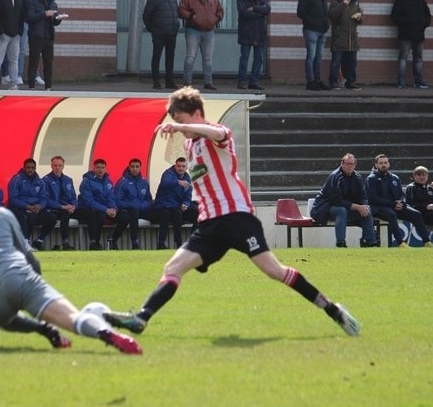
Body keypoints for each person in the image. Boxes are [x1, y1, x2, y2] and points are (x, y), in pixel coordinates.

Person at [103, 87, 360, 338]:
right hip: (210, 224)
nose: (179, 126)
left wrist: (182, 127)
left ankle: (332, 309)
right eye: (176, 122)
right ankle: (141, 318)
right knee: (173, 267)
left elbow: (216, 133)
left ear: (196, 113)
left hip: (236, 217)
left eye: (181, 119)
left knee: (273, 270)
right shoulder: (191, 147)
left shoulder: (218, 133)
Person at [0, 171, 143, 355]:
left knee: (2, 316)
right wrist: (39, 293)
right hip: (17, 276)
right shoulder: (1, 214)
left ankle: (44, 329)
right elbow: (30, 260)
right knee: (73, 318)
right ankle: (107, 333)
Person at [309, 153, 379, 248]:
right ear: (342, 164)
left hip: (347, 207)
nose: (350, 166)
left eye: (352, 164)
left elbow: (362, 196)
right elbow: (336, 200)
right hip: (324, 208)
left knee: (366, 209)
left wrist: (363, 206)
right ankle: (341, 242)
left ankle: (370, 241)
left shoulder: (357, 177)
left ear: (355, 165)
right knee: (341, 210)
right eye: (347, 163)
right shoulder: (335, 177)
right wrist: (356, 207)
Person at [365, 154, 433, 248]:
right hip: (379, 207)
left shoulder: (394, 177)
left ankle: (427, 242)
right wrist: (393, 204)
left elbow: (401, 194)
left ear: (389, 164)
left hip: (395, 206)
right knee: (391, 215)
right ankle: (400, 243)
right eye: (381, 163)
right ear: (376, 165)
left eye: (385, 162)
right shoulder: (371, 179)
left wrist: (401, 202)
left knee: (416, 214)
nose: (383, 165)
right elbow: (373, 198)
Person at [178, 0, 224, 90]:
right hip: (192, 31)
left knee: (208, 59)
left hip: (209, 31)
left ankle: (208, 82)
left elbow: (220, 11)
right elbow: (181, 10)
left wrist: (215, 19)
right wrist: (191, 16)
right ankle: (187, 82)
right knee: (190, 57)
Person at [75, 158, 129, 250]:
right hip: (91, 209)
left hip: (106, 209)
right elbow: (88, 201)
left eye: (102, 167)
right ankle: (95, 243)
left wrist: (114, 209)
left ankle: (113, 240)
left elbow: (111, 197)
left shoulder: (108, 181)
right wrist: (106, 209)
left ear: (105, 168)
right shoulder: (86, 182)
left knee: (125, 217)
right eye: (98, 167)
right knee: (98, 215)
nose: (100, 170)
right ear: (93, 168)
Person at [7, 158, 56, 251]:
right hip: (20, 208)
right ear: (24, 168)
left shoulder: (40, 182)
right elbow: (13, 199)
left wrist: (40, 206)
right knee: (30, 217)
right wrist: (27, 206)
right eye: (28, 167)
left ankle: (39, 241)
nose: (30, 170)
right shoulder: (16, 180)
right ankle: (25, 243)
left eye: (33, 168)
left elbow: (44, 198)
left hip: (35, 209)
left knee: (52, 218)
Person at [148, 157, 198, 249]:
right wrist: (178, 182)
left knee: (199, 214)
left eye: (183, 166)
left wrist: (186, 203)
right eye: (179, 166)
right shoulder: (168, 173)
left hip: (178, 207)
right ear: (175, 166)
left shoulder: (187, 177)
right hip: (163, 206)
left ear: (186, 167)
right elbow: (165, 183)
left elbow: (188, 195)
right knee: (172, 213)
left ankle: (193, 242)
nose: (181, 168)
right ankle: (167, 243)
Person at [391, 0, 431, 89]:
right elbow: (394, 17)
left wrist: (423, 25)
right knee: (403, 58)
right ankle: (401, 82)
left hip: (419, 35)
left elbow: (428, 16)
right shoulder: (399, 2)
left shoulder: (421, 2)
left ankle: (418, 82)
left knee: (418, 59)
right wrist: (408, 23)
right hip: (405, 36)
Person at [26, 0, 63, 90]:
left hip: (49, 37)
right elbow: (30, 17)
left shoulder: (53, 3)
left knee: (48, 63)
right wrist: (44, 14)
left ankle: (48, 87)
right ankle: (31, 86)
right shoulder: (32, 1)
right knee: (34, 62)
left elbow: (54, 22)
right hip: (36, 36)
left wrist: (59, 19)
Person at [142, 0, 179, 90]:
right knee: (156, 57)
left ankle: (169, 81)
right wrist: (152, 29)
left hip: (172, 33)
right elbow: (146, 16)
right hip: (159, 34)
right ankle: (156, 82)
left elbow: (176, 13)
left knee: (170, 58)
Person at [236, 0, 270, 90]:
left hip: (259, 33)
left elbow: (267, 10)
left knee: (258, 59)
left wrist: (254, 8)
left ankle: (254, 82)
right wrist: (260, 14)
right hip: (246, 33)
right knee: (244, 58)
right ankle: (241, 81)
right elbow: (243, 13)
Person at [296, 0, 329, 91]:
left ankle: (318, 80)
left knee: (319, 57)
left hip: (322, 31)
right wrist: (313, 22)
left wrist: (326, 24)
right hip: (310, 30)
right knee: (311, 56)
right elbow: (300, 12)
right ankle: (310, 81)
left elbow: (325, 12)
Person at [327, 0, 362, 90]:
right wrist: (343, 4)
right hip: (339, 40)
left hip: (352, 40)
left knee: (352, 63)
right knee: (336, 63)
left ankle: (350, 82)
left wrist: (360, 17)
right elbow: (332, 15)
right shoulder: (335, 3)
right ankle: (333, 82)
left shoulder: (355, 4)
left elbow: (360, 21)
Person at [15, 0, 44, 87]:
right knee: (21, 50)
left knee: (35, 50)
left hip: (36, 22)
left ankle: (36, 76)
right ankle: (18, 75)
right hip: (24, 21)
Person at [113, 158, 153, 250]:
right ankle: (135, 243)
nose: (135, 169)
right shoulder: (122, 182)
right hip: (128, 210)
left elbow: (149, 200)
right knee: (134, 212)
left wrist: (141, 206)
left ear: (140, 168)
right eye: (133, 167)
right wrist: (132, 204)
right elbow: (117, 201)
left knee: (163, 213)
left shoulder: (144, 182)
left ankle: (162, 243)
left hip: (141, 209)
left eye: (137, 166)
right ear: (129, 167)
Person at [41, 155, 77, 251]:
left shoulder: (68, 180)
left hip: (66, 208)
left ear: (63, 166)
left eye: (60, 165)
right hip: (52, 209)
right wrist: (62, 206)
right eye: (55, 165)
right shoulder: (45, 180)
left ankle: (66, 243)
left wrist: (73, 206)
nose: (57, 168)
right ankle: (65, 242)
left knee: (90, 213)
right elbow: (46, 200)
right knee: (64, 214)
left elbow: (73, 196)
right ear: (51, 166)